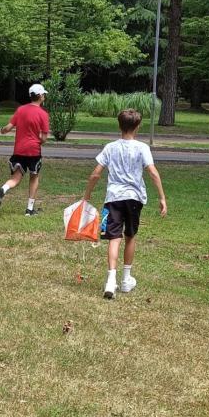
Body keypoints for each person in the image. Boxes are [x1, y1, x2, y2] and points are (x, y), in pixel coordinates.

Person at [82, 108, 167, 299]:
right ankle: (126, 279)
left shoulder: (110, 147)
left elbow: (95, 173)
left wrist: (86, 196)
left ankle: (110, 280)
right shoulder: (142, 148)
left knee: (114, 237)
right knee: (130, 235)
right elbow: (153, 173)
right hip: (135, 198)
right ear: (137, 126)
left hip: (113, 198)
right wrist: (162, 197)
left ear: (119, 125)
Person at [0, 83, 50, 216]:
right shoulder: (43, 114)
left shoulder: (21, 110)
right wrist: (37, 140)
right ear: (40, 96)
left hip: (19, 150)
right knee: (34, 177)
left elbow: (7, 128)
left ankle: (3, 188)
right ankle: (29, 209)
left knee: (15, 178)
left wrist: (2, 130)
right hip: (34, 151)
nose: (44, 96)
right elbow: (44, 139)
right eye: (44, 94)